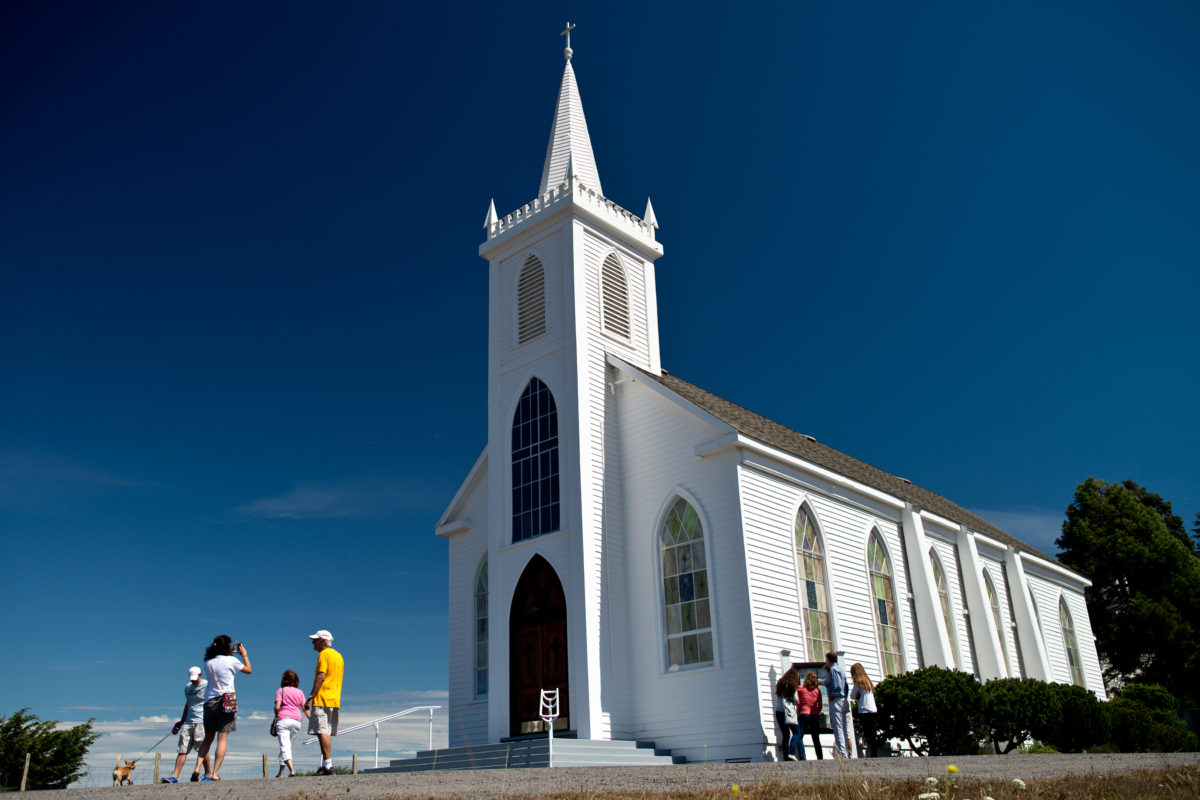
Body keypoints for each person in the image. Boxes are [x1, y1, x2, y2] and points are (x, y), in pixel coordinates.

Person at [196, 635, 251, 782]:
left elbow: (219, 660)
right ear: (227, 647)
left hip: (210, 700)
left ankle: (197, 768)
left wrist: (229, 652)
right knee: (222, 738)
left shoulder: (208, 662)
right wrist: (243, 654)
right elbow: (248, 670)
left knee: (207, 738)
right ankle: (214, 773)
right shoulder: (232, 661)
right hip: (228, 699)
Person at [304, 629, 344, 776]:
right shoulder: (339, 656)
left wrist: (311, 697)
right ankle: (326, 763)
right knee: (325, 731)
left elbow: (321, 676)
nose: (313, 642)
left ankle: (328, 764)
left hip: (322, 697)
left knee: (321, 731)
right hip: (334, 698)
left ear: (322, 641)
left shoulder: (324, 654)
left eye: (315, 640)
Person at [163, 667, 210, 782]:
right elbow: (188, 704)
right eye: (191, 678)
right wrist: (182, 720)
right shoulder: (188, 687)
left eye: (195, 678)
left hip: (201, 721)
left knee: (201, 749)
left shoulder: (207, 685)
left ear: (200, 675)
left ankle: (208, 774)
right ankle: (175, 776)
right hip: (188, 722)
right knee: (182, 749)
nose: (193, 681)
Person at [273, 670, 308, 777]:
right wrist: (312, 719)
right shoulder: (300, 692)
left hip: (284, 720)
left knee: (285, 747)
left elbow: (277, 707)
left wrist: (276, 715)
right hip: (297, 721)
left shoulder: (281, 691)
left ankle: (292, 770)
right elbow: (305, 708)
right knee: (287, 746)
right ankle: (280, 773)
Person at [849, 662, 879, 758]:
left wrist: (857, 695)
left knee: (868, 732)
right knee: (872, 731)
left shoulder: (858, 682)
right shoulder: (868, 681)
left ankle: (873, 753)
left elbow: (852, 696)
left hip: (864, 710)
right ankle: (874, 752)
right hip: (873, 709)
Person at [823, 651, 850, 759]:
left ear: (829, 660)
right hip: (844, 699)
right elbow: (845, 685)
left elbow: (835, 684)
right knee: (843, 728)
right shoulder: (841, 670)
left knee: (838, 727)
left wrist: (833, 695)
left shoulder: (833, 669)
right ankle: (846, 751)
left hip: (837, 700)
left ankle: (843, 754)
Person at [773, 666, 802, 761]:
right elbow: (796, 699)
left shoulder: (780, 683)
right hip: (789, 712)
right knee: (797, 732)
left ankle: (786, 757)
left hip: (779, 711)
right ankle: (792, 752)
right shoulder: (792, 685)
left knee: (785, 735)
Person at [795, 670, 824, 760]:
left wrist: (799, 710)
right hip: (814, 715)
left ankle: (802, 756)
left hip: (803, 714)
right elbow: (820, 705)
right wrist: (817, 711)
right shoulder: (817, 691)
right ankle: (820, 757)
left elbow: (799, 702)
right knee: (815, 738)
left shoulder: (801, 688)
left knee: (799, 736)